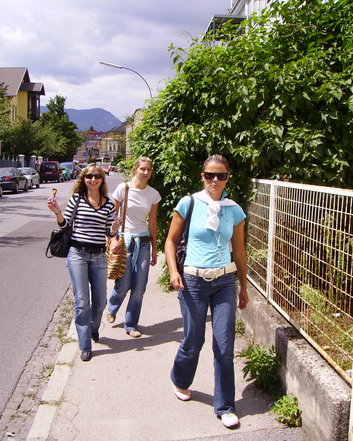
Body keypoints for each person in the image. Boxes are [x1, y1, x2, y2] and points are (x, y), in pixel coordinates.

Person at [164, 154, 249, 429]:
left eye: (221, 175)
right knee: (194, 339)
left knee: (224, 345)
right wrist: (174, 272)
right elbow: (170, 241)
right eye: (210, 175)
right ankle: (180, 379)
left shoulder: (234, 209)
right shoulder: (189, 203)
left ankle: (225, 406)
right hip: (193, 282)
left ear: (228, 178)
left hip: (225, 281)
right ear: (202, 176)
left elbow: (239, 251)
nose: (215, 180)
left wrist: (244, 287)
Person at [47, 164, 119, 362]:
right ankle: (85, 345)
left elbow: (109, 232)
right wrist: (57, 212)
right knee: (82, 301)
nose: (93, 180)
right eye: (89, 176)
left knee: (101, 300)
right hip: (77, 254)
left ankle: (94, 328)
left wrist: (113, 230)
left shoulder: (108, 204)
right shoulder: (77, 200)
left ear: (102, 180)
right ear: (83, 179)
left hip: (98, 256)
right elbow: (65, 225)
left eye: (97, 176)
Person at [106, 157, 161, 338]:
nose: (146, 173)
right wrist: (112, 239)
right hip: (125, 241)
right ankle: (112, 307)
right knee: (124, 283)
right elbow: (112, 217)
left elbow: (152, 222)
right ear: (135, 169)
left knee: (139, 287)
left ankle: (131, 324)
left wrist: (154, 248)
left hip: (143, 242)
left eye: (149, 170)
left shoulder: (153, 194)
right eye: (142, 169)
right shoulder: (124, 188)